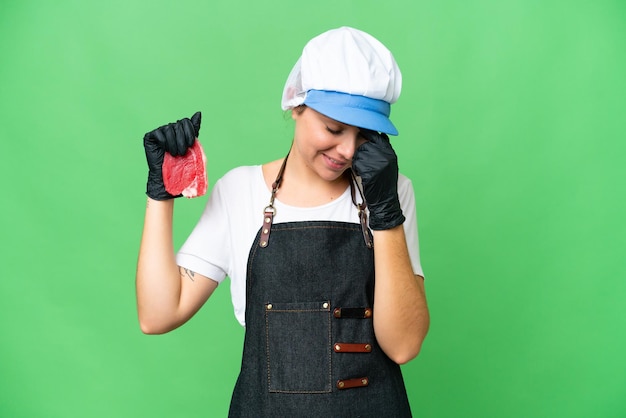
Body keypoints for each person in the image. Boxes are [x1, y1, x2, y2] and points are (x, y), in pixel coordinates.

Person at [136, 26, 429, 417]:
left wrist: (386, 212)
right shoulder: (239, 192)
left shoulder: (391, 192)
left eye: (364, 137)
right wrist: (161, 195)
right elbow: (157, 315)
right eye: (334, 128)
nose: (346, 150)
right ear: (296, 104)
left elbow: (404, 345)